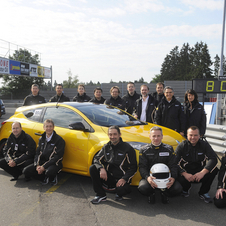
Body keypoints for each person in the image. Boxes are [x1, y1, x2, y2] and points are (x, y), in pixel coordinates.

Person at [89, 126, 137, 204]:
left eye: (115, 134)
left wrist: (124, 179)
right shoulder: (106, 147)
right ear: (108, 135)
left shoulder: (128, 148)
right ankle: (101, 195)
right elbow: (96, 159)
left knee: (121, 190)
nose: (112, 137)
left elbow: (133, 167)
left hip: (121, 180)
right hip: (109, 178)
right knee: (93, 168)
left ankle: (119, 193)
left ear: (119, 135)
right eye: (110, 134)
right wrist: (101, 168)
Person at [138, 126, 182, 204]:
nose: (156, 138)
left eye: (158, 136)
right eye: (154, 136)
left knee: (177, 188)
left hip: (166, 177)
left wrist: (173, 177)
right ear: (150, 137)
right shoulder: (144, 150)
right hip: (150, 177)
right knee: (143, 187)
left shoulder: (169, 149)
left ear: (162, 136)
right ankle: (152, 193)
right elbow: (142, 167)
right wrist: (147, 178)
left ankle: (164, 193)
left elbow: (173, 165)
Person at [175, 126, 218, 203]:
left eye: (195, 135)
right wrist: (184, 173)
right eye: (190, 135)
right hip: (186, 172)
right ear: (187, 135)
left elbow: (213, 159)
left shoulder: (204, 145)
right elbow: (174, 162)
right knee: (175, 171)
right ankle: (185, 189)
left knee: (214, 169)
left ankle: (203, 192)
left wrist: (203, 172)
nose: (193, 137)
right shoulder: (182, 145)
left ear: (199, 135)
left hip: (200, 172)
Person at [23, 119, 65, 185]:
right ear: (44, 127)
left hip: (54, 164)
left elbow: (57, 157)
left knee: (49, 172)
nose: (48, 128)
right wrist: (37, 165)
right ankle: (43, 177)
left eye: (50, 126)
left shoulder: (59, 140)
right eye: (47, 126)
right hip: (42, 162)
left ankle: (52, 177)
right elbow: (37, 153)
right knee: (26, 171)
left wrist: (44, 167)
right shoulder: (41, 139)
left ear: (53, 127)